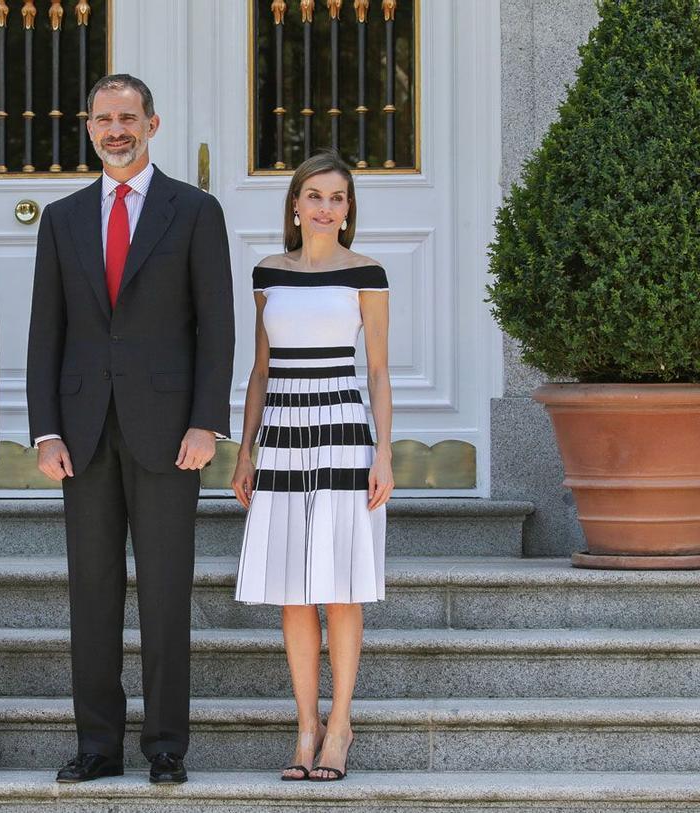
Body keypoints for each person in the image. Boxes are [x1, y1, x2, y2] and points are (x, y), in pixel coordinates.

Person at [27, 74, 235, 785]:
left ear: (153, 123)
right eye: (103, 118)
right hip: (83, 432)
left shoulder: (195, 211)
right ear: (88, 126)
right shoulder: (62, 218)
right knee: (91, 590)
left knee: (166, 590)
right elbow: (44, 335)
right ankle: (97, 744)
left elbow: (217, 326)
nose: (115, 129)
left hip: (171, 429)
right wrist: (45, 430)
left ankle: (166, 744)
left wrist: (209, 420)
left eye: (127, 117)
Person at [231, 150, 394, 782]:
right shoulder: (268, 272)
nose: (326, 207)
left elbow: (377, 370)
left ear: (348, 210)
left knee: (340, 586)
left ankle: (341, 724)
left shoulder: (368, 273)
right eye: (315, 195)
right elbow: (260, 369)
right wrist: (245, 450)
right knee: (293, 593)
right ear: (295, 205)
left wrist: (384, 452)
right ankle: (305, 726)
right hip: (282, 434)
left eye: (338, 197)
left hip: (343, 432)